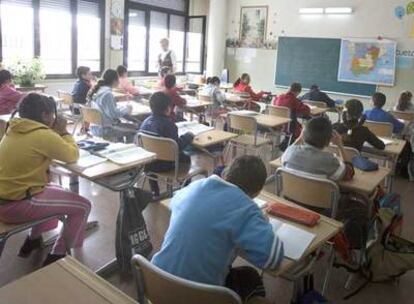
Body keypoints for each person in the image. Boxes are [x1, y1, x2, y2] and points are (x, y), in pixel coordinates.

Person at [152, 156, 284, 302]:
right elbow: (273, 259)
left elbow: (174, 204)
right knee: (251, 279)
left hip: (156, 281)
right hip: (197, 296)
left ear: (226, 173)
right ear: (257, 192)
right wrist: (264, 222)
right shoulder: (246, 208)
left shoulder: (195, 186)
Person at [0, 93, 91, 266]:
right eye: (52, 114)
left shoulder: (13, 127)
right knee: (83, 206)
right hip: (16, 205)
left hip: (7, 197)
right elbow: (72, 155)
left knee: (55, 192)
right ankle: (57, 255)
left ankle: (33, 240)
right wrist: (64, 132)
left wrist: (54, 134)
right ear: (44, 115)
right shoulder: (42, 134)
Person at [139, 92, 193, 197]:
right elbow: (176, 147)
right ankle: (185, 188)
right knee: (186, 157)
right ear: (168, 108)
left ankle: (155, 191)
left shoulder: (145, 122)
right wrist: (188, 136)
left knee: (157, 155)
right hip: (166, 164)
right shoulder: (169, 125)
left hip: (148, 164)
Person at [282, 116, 354, 181]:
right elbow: (349, 174)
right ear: (328, 141)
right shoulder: (329, 161)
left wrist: (300, 138)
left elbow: (289, 150)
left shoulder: (290, 151)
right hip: (317, 196)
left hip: (290, 194)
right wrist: (340, 145)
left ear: (303, 134)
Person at [89, 69, 137, 142]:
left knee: (124, 125)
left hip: (95, 126)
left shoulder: (98, 90)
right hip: (105, 128)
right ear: (114, 80)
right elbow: (114, 114)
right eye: (118, 78)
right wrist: (127, 109)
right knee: (135, 129)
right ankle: (127, 150)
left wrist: (123, 109)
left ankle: (119, 144)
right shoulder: (107, 94)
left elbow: (109, 109)